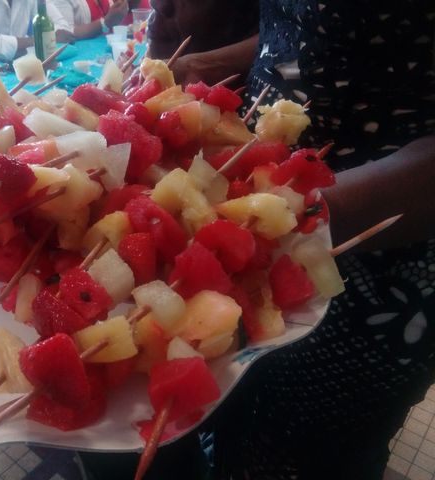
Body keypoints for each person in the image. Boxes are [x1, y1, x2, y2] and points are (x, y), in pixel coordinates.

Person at [163, 1, 435, 479]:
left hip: (382, 260)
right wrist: (209, 62)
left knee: (294, 460)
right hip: (264, 213)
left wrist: (290, 215)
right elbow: (309, 31)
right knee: (227, 429)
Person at [50, 0, 129, 39]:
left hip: (110, 49)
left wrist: (120, 8)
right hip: (82, 58)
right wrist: (105, 23)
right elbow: (66, 33)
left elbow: (113, 16)